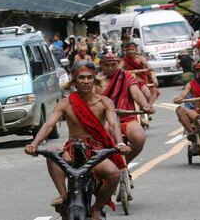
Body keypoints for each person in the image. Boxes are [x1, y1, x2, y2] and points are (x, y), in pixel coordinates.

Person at [25, 60, 130, 220]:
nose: (86, 81)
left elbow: (114, 124)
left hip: (97, 151)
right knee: (51, 153)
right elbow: (48, 125)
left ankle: (96, 207)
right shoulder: (65, 103)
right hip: (72, 149)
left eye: (89, 77)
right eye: (81, 78)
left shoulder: (105, 102)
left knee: (114, 174)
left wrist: (120, 143)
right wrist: (34, 144)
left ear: (94, 79)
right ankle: (63, 195)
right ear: (74, 81)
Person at [95, 50, 152, 169]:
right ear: (100, 64)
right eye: (106, 65)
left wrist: (145, 105)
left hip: (127, 118)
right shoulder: (96, 80)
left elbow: (136, 93)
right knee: (103, 140)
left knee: (139, 138)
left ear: (118, 63)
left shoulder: (126, 76)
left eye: (113, 64)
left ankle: (123, 164)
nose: (110, 68)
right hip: (105, 120)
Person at [118, 42, 159, 107]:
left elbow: (150, 69)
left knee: (148, 94)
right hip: (130, 81)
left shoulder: (141, 59)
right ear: (126, 51)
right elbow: (118, 70)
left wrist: (155, 80)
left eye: (132, 49)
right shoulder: (123, 60)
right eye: (129, 50)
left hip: (142, 80)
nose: (131, 51)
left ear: (136, 50)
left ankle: (148, 107)